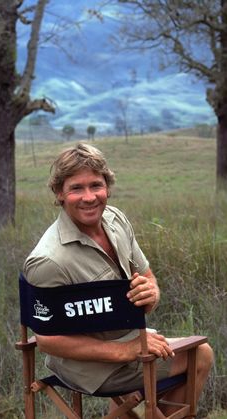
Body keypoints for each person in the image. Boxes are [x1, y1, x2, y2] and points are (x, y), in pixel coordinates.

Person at [23, 143, 213, 416]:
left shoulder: (116, 220)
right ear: (59, 193)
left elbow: (147, 276)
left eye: (96, 185)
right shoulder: (49, 260)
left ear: (107, 187)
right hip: (87, 367)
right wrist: (125, 351)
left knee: (193, 352)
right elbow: (48, 341)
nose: (89, 197)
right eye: (77, 188)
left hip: (127, 340)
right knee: (201, 354)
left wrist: (151, 293)